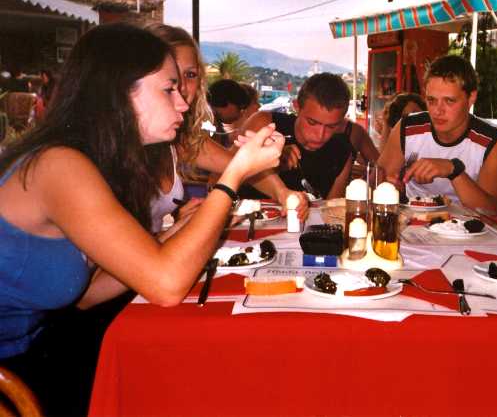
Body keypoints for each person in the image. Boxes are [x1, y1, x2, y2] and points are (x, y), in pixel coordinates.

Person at [0, 23, 283, 415]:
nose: (183, 103)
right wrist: (234, 176)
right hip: (16, 378)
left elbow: (87, 294)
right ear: (119, 93)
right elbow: (167, 285)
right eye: (169, 89)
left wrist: (166, 238)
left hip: (40, 348)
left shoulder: (99, 162)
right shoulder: (59, 165)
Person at [146, 24, 307, 231]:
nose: (183, 87)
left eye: (191, 75)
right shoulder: (116, 150)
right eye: (172, 76)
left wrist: (282, 193)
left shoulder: (180, 137)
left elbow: (234, 164)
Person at [377, 55, 497, 212]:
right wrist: (387, 185)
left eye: (449, 101)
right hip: (413, 222)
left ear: (471, 98)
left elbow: (492, 212)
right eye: (431, 100)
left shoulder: (493, 139)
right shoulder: (407, 127)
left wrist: (453, 170)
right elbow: (375, 182)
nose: (437, 111)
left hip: (469, 225)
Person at [240, 72, 353, 200]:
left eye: (331, 126)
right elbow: (226, 175)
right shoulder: (265, 125)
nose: (320, 135)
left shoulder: (342, 152)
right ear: (296, 107)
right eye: (312, 122)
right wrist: (265, 161)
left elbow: (332, 208)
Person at [208, 79, 260, 148]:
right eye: (240, 108)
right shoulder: (205, 124)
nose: (241, 114)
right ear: (227, 102)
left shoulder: (214, 124)